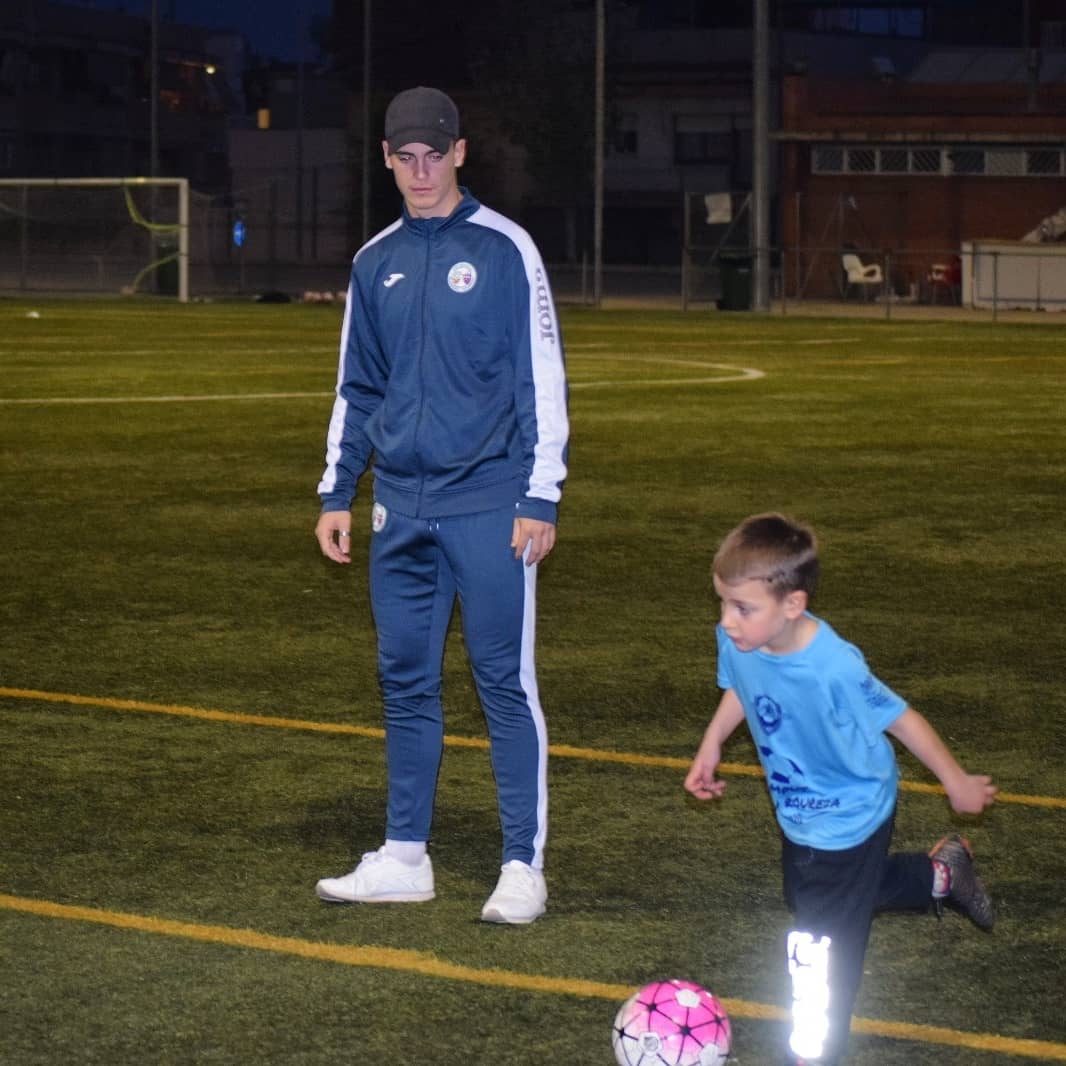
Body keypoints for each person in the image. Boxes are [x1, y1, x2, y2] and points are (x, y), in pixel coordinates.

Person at [313, 87, 568, 925]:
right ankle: (404, 856)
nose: (420, 172)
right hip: (400, 503)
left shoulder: (506, 248)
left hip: (490, 502)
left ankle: (522, 864)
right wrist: (338, 490)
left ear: (459, 153)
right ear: (387, 159)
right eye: (405, 158)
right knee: (404, 680)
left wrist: (540, 493)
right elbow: (358, 386)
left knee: (503, 683)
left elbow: (539, 376)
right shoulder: (374, 260)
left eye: (434, 156)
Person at [684, 513, 997, 1065]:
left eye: (742, 608)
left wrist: (955, 781)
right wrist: (712, 743)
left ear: (793, 605)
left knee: (824, 951)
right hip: (799, 814)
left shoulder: (833, 667)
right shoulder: (742, 640)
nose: (727, 622)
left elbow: (901, 719)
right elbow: (741, 687)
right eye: (723, 604)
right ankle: (942, 876)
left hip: (855, 811)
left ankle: (816, 1053)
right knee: (815, 898)